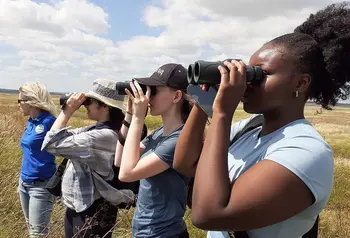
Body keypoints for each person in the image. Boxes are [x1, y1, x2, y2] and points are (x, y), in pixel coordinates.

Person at [173, 2, 350, 238]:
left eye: (261, 74)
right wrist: (205, 103)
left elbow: (208, 214)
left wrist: (223, 113)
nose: (248, 82)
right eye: (249, 72)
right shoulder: (247, 129)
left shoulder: (306, 151)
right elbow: (185, 163)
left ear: (300, 83)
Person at [41, 78, 134, 238]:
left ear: (104, 106)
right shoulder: (95, 130)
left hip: (91, 210)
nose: (85, 105)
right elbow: (58, 137)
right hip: (82, 207)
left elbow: (51, 144)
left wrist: (67, 111)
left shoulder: (102, 136)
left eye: (89, 101)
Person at [114, 63, 192, 238]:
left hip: (165, 234)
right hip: (145, 232)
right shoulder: (159, 134)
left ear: (176, 96)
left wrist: (138, 117)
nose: (148, 97)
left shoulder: (179, 140)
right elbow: (120, 161)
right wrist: (129, 115)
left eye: (154, 91)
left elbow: (126, 174)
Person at [17, 82, 57, 237]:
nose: (19, 104)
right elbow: (30, 152)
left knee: (38, 234)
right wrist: (21, 181)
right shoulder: (31, 122)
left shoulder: (49, 122)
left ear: (31, 101)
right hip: (24, 183)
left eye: (20, 101)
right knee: (30, 228)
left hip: (41, 186)